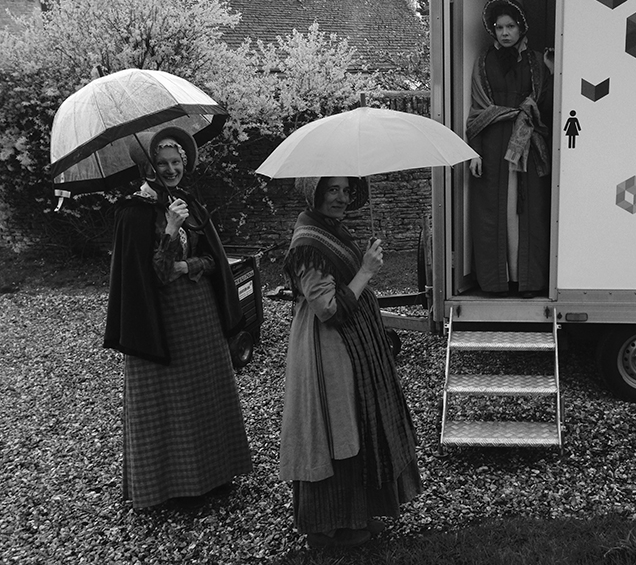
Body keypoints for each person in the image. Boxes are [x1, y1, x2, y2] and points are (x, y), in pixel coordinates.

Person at [103, 127, 252, 509]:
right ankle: (175, 488)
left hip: (200, 315)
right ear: (147, 166)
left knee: (206, 393)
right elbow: (153, 276)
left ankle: (215, 474)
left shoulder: (187, 202)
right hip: (161, 322)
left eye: (175, 162)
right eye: (162, 163)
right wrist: (170, 229)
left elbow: (212, 260)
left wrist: (189, 265)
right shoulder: (133, 212)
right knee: (172, 402)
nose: (170, 169)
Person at [279, 176, 421, 550]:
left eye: (346, 190)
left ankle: (357, 514)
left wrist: (362, 263)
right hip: (329, 351)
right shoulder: (308, 242)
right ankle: (327, 529)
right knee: (336, 432)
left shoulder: (329, 229)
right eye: (332, 190)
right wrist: (366, 271)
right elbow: (327, 309)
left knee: (359, 426)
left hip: (352, 346)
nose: (342, 197)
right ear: (314, 192)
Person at [466, 0, 554, 298]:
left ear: (521, 27)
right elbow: (477, 110)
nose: (504, 32)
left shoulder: (537, 61)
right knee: (495, 213)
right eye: (499, 27)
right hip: (492, 147)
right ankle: (497, 282)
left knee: (530, 213)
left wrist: (552, 71)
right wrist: (475, 152)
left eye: (510, 26)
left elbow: (548, 105)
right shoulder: (484, 61)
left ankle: (528, 281)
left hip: (527, 146)